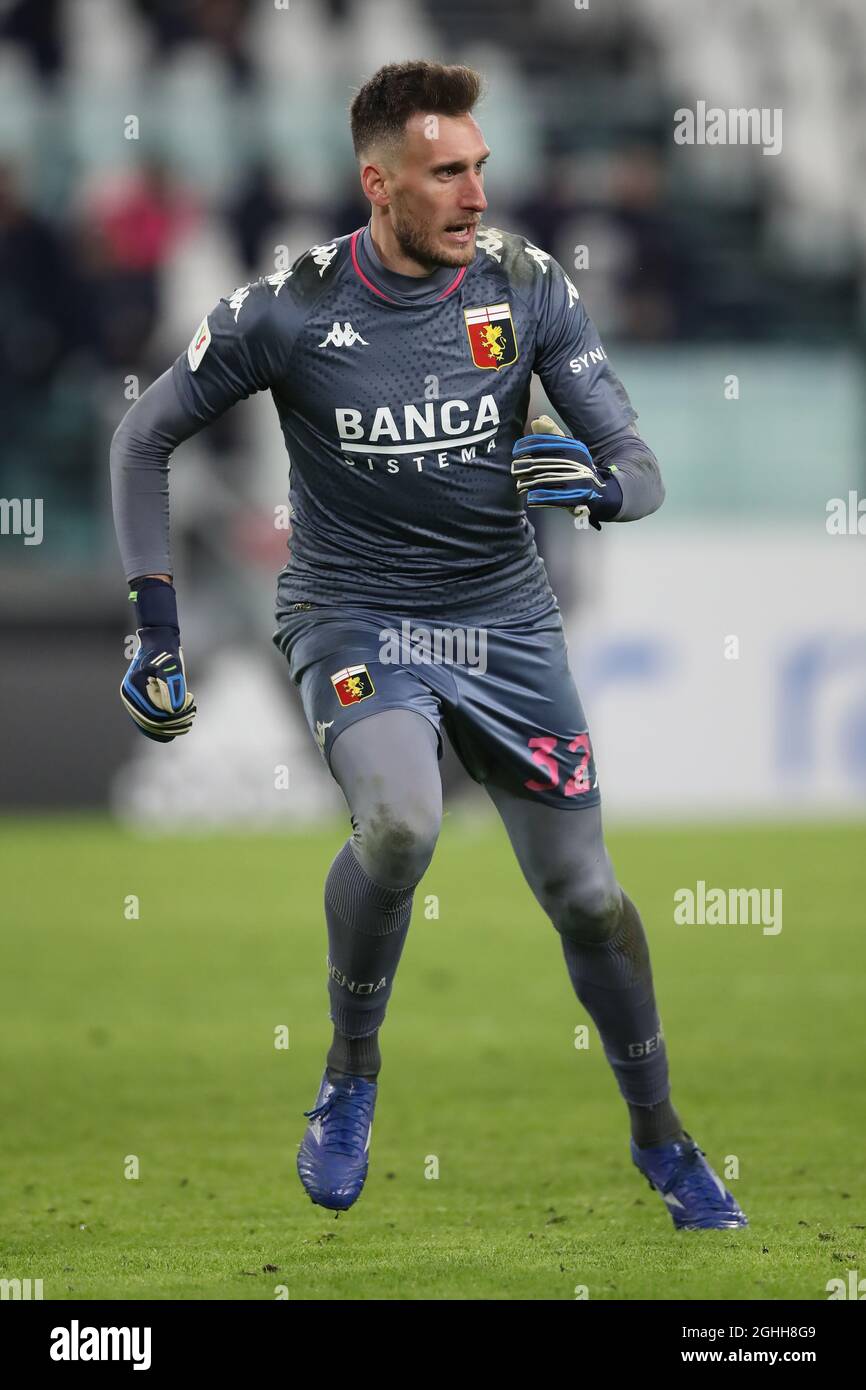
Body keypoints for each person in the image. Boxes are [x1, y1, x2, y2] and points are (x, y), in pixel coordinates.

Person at [110, 60, 747, 1232]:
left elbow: (640, 466)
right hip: (352, 615)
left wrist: (602, 486)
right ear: (378, 183)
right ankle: (350, 1073)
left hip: (505, 625)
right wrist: (156, 629)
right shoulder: (289, 309)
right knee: (399, 821)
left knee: (589, 897)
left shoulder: (525, 285)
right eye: (445, 174)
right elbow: (141, 439)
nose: (472, 195)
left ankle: (660, 1136)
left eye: (479, 169)